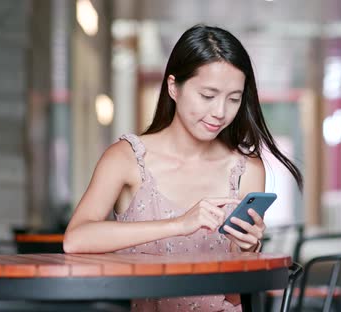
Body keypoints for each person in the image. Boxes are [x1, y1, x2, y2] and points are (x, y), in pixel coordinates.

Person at [63, 24, 303, 311]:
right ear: (173, 87)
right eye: (207, 95)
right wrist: (178, 225)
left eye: (234, 99)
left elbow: (236, 296)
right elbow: (76, 239)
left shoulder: (246, 169)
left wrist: (247, 249)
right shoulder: (127, 158)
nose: (220, 112)